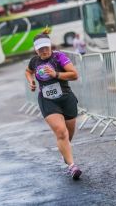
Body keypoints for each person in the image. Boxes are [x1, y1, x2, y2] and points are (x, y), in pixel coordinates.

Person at [25, 33, 82, 180]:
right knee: (61, 132)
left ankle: (66, 153)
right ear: (36, 50)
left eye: (46, 47)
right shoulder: (34, 61)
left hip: (66, 97)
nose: (44, 51)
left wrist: (56, 74)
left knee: (68, 134)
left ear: (50, 45)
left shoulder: (59, 57)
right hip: (47, 100)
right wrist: (31, 81)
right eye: (40, 49)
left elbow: (74, 75)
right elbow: (28, 71)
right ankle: (72, 166)